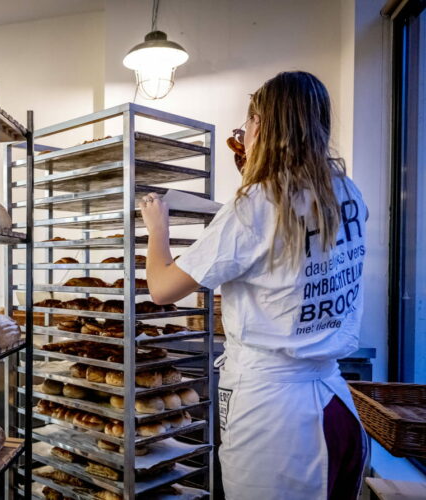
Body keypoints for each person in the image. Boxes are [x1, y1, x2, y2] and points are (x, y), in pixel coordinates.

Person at [140, 71, 367, 500]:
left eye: (248, 123)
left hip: (277, 424)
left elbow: (163, 288)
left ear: (262, 125)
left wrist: (158, 230)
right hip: (335, 409)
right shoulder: (346, 192)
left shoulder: (257, 204)